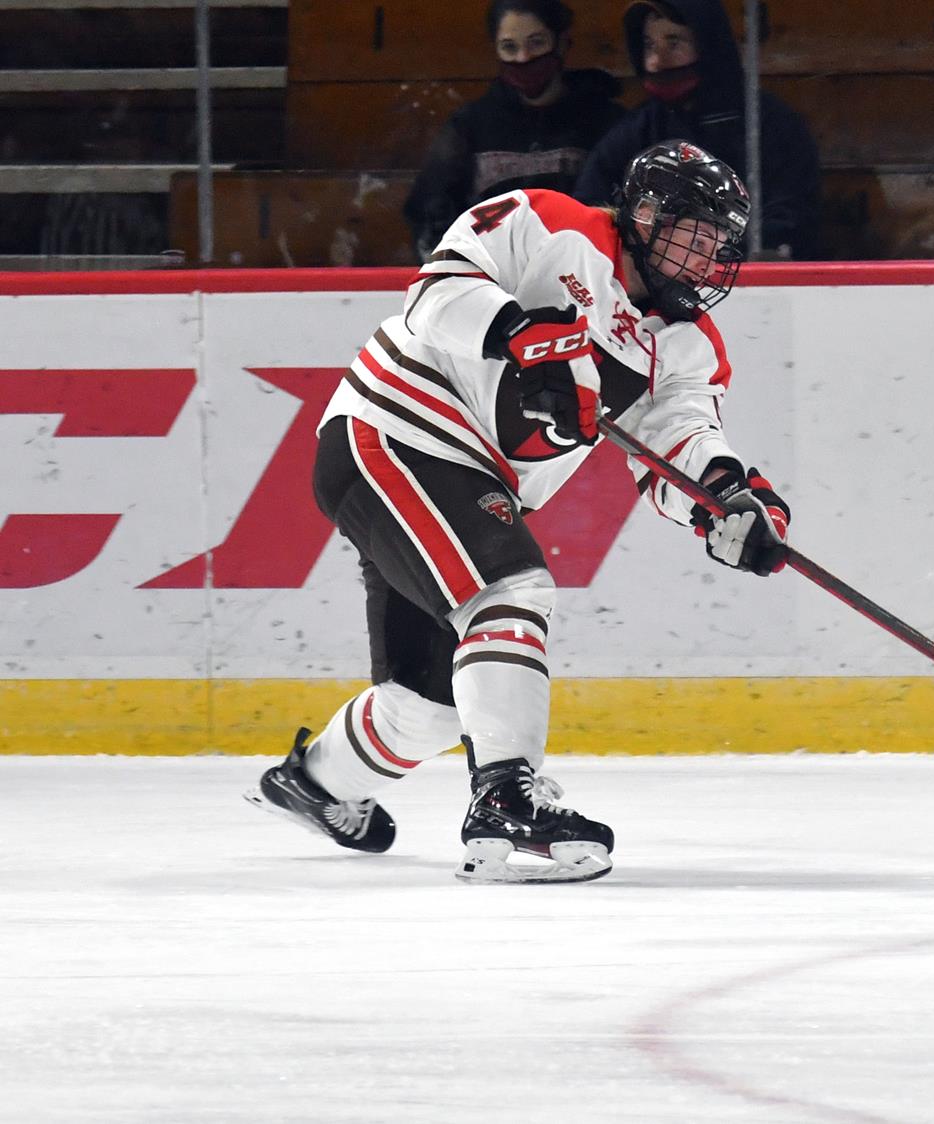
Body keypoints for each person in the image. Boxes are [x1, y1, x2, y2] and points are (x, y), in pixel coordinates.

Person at [248, 141, 791, 884]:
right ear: (644, 215)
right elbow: (435, 292)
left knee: (429, 707)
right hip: (397, 429)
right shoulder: (548, 222)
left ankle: (312, 783)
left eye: (717, 244)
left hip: (461, 475)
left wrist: (729, 501)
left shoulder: (688, 346)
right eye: (693, 235)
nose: (706, 259)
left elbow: (681, 440)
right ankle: (505, 800)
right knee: (511, 592)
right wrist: (517, 335)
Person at [572, 0, 821, 260]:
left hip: (747, 278)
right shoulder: (637, 131)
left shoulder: (769, 126)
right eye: (649, 45)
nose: (657, 61)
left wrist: (712, 254)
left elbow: (790, 221)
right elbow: (588, 209)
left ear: (708, 45)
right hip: (653, 280)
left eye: (674, 43)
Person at [402, 0, 626, 258]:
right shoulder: (470, 125)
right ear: (496, 50)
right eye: (509, 47)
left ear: (561, 43)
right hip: (490, 273)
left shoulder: (603, 120)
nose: (523, 58)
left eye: (536, 43)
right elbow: (429, 212)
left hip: (581, 269)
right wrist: (455, 268)